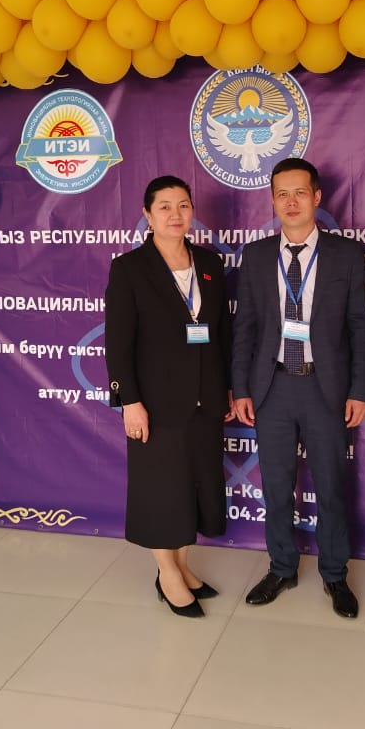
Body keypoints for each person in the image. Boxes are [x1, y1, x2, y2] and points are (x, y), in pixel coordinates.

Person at [232, 157, 365, 618]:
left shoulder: (345, 254)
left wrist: (360, 389)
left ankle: (335, 574)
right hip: (272, 387)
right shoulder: (256, 255)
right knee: (276, 487)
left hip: (325, 388)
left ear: (316, 197)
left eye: (299, 193)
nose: (290, 202)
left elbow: (361, 327)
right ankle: (281, 567)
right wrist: (241, 388)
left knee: (331, 487)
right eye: (281, 194)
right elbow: (245, 328)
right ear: (273, 201)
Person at [105, 176, 234, 618]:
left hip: (205, 397)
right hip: (155, 402)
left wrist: (226, 387)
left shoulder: (209, 262)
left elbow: (221, 332)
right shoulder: (130, 268)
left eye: (183, 205)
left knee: (192, 485)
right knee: (160, 488)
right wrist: (129, 401)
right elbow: (118, 343)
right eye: (164, 206)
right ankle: (167, 574)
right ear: (147, 214)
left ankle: (182, 564)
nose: (175, 215)